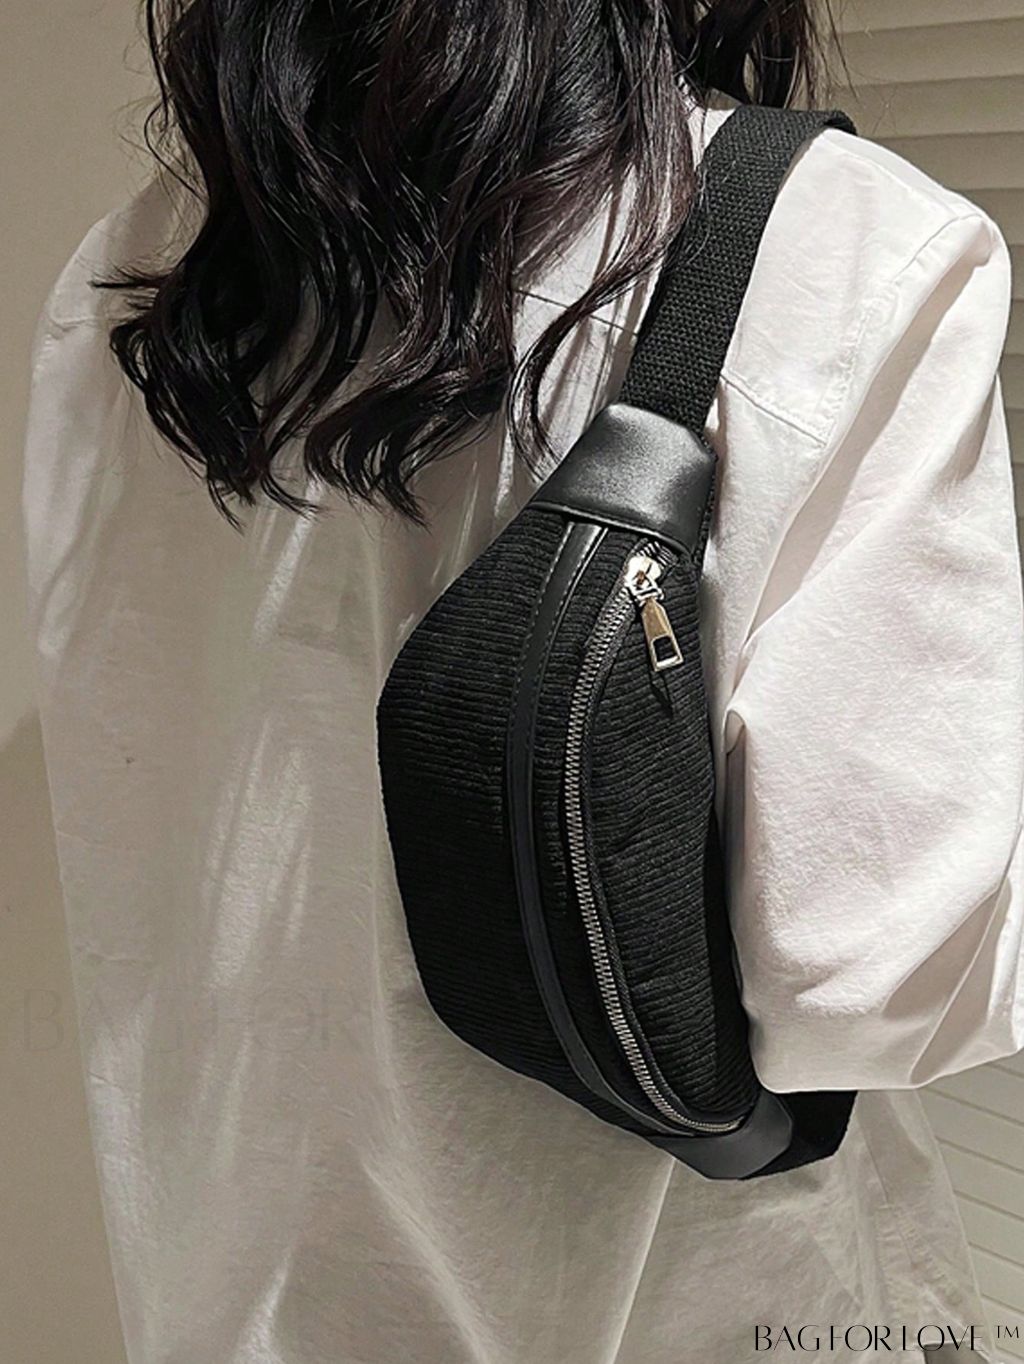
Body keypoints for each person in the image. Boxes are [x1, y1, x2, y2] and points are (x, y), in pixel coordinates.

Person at [22, 3, 1024, 1362]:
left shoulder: (142, 267)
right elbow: (875, 985)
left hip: (235, 1275)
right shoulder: (844, 249)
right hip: (674, 1308)